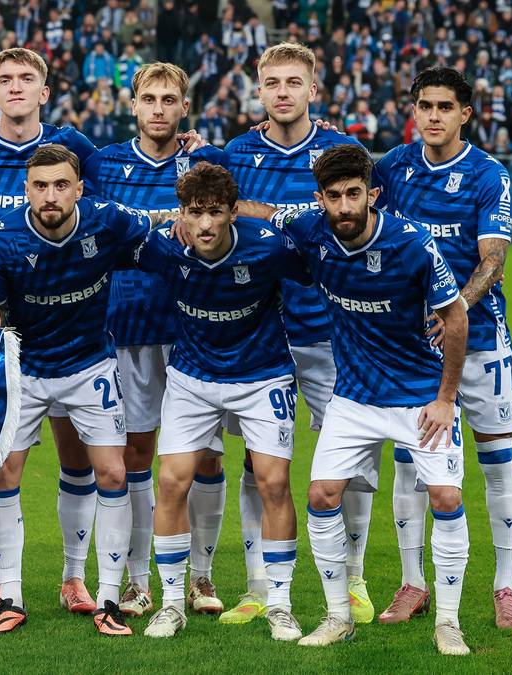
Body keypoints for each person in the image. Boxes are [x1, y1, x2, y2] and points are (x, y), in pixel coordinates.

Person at [278, 144, 471, 655]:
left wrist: (447, 398)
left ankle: (448, 623)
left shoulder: (413, 243)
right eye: (334, 197)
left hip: (418, 398)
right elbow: (259, 214)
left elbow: (456, 318)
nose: (344, 207)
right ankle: (338, 615)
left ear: (373, 194)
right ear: (320, 199)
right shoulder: (311, 229)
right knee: (321, 494)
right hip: (355, 398)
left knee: (446, 498)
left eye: (354, 195)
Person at [222, 42, 377, 626]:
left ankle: (356, 578)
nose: (282, 91)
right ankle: (259, 584)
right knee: (257, 463)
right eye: (271, 82)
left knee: (355, 461)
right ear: (258, 91)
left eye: (293, 82)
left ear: (314, 90)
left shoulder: (344, 153)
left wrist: (264, 212)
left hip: (333, 332)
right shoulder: (237, 152)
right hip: (261, 332)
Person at [0, 143, 151, 636]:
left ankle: (106, 598)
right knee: (5, 474)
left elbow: (164, 247)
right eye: (39, 186)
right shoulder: (3, 237)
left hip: (88, 365)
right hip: (26, 370)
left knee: (113, 473)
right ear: (26, 190)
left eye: (59, 185)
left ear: (78, 188)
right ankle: (10, 595)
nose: (49, 195)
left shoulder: (107, 221)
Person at [372, 66, 512, 631]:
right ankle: (413, 583)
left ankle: (505, 586)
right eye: (424, 105)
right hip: (412, 349)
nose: (433, 116)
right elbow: (338, 190)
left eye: (444, 107)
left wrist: (453, 308)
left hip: (480, 341)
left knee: (496, 459)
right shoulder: (393, 167)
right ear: (414, 110)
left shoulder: (488, 174)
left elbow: (493, 259)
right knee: (413, 465)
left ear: (465, 114)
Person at [134, 162, 310, 641]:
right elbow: (110, 236)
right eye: (195, 213)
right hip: (193, 377)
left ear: (234, 212)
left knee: (274, 483)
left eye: (215, 212)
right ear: (182, 214)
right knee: (171, 481)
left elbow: (322, 263)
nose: (206, 224)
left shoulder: (269, 246)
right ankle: (171, 604)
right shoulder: (164, 246)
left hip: (262, 375)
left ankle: (280, 604)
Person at [0, 47, 102, 617]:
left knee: (78, 460)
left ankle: (74, 577)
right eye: (5, 80)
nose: (16, 87)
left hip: (68, 326)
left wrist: (191, 145)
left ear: (45, 91)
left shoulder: (76, 149)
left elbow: (126, 169)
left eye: (27, 79)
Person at [81, 62, 228, 618]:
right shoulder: (103, 164)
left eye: (170, 99)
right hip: (126, 326)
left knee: (206, 456)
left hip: (196, 325)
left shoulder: (206, 164)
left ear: (184, 107)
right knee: (137, 454)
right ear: (134, 105)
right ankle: (140, 581)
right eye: (150, 98)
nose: (160, 108)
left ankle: (202, 577)